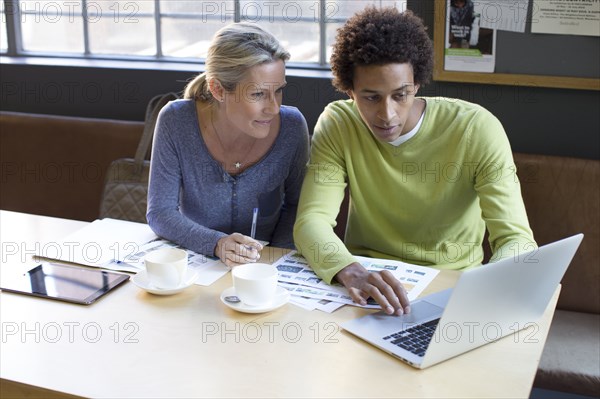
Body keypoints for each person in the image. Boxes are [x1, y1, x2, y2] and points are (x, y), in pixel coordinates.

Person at [293, 7, 536, 316]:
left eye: (400, 95)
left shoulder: (476, 128)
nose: (387, 114)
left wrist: (485, 291)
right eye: (370, 97)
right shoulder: (339, 124)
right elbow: (310, 222)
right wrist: (350, 270)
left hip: (452, 286)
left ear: (417, 83)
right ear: (350, 91)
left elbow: (516, 239)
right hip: (368, 286)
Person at [147, 23, 309, 268]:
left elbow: (297, 206)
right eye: (258, 94)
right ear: (218, 89)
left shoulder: (292, 127)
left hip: (264, 272)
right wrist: (217, 244)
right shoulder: (175, 120)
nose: (274, 108)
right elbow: (160, 213)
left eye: (279, 91)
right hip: (198, 264)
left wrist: (272, 262)